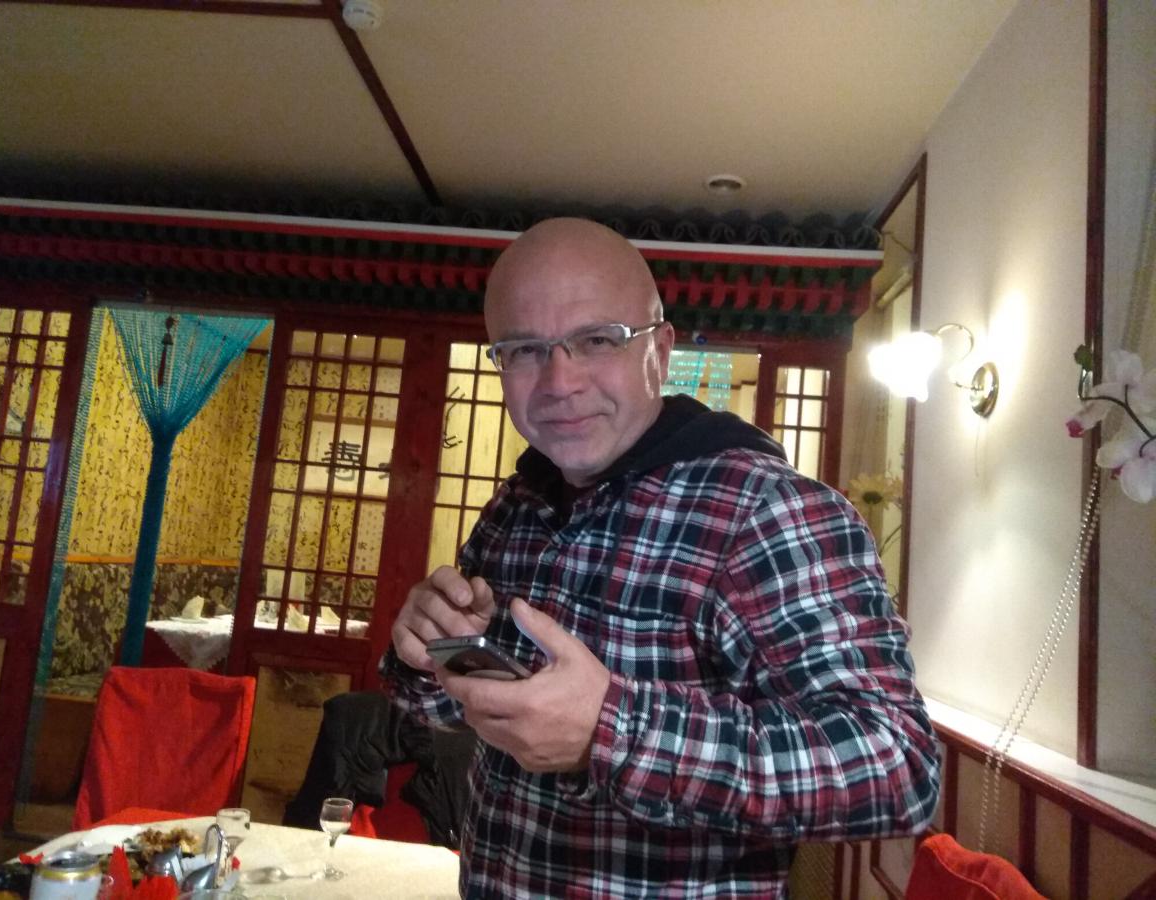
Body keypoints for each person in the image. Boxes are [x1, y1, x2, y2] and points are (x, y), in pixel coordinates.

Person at [381, 217, 940, 898]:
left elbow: (895, 767)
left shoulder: (766, 509)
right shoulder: (517, 505)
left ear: (661, 349)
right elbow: (456, 711)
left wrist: (611, 731)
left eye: (597, 340)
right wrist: (428, 652)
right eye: (525, 350)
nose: (559, 381)